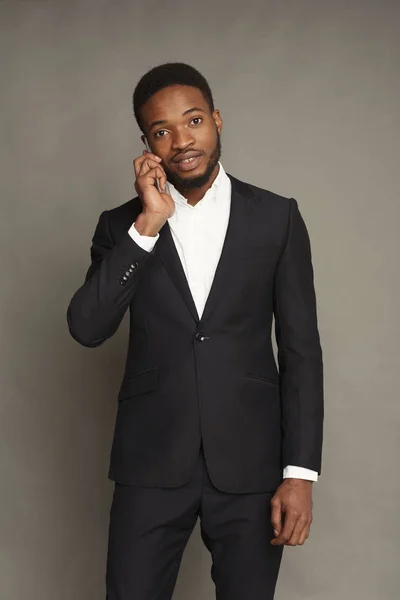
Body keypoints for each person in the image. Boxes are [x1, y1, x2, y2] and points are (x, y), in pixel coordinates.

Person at [67, 62, 324, 600]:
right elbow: (87, 328)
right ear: (147, 145)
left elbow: (301, 351)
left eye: (194, 121)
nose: (182, 140)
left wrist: (299, 472)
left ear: (217, 121)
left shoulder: (277, 218)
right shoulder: (122, 226)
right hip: (150, 462)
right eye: (162, 131)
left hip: (253, 467)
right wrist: (147, 224)